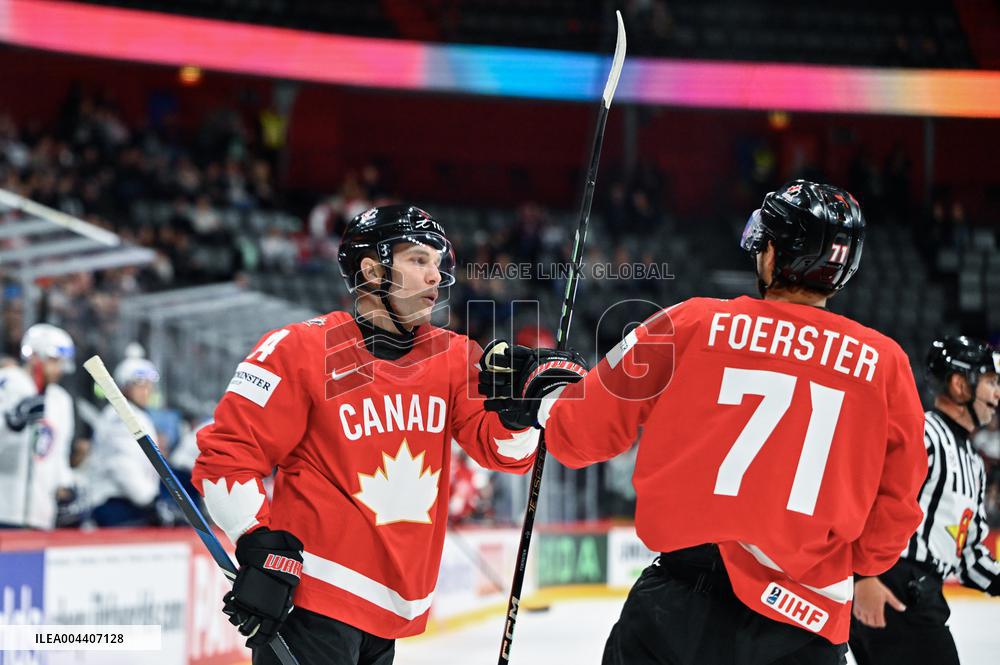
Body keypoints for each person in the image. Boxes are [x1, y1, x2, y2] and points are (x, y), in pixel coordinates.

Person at [480, 180, 929, 664]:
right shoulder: (886, 364)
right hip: (806, 620)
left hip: (676, 611)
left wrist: (542, 395)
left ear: (772, 252)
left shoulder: (690, 323)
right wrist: (856, 563)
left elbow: (579, 432)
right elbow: (900, 502)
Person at [192, 205, 541, 665]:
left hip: (390, 611)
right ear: (372, 269)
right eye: (419, 260)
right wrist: (254, 539)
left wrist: (520, 417)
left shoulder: (453, 356)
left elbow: (501, 453)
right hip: (314, 600)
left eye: (438, 264)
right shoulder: (302, 348)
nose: (434, 276)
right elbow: (226, 455)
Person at [849, 336, 1000, 664]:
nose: (997, 395)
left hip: (921, 591)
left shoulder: (972, 462)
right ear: (961, 384)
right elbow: (864, 498)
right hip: (894, 585)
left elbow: (969, 553)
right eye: (990, 382)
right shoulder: (923, 433)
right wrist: (863, 577)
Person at [0, 323, 76, 529]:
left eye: (61, 363)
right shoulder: (8, 382)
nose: (58, 369)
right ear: (34, 355)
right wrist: (11, 423)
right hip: (5, 508)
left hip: (41, 514)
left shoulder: (61, 400)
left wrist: (65, 486)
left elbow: (59, 451)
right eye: (53, 360)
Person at [86, 356, 162, 526]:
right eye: (140, 384)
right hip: (115, 504)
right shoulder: (119, 417)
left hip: (133, 501)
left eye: (149, 385)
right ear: (125, 387)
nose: (146, 390)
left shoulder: (137, 415)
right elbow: (122, 465)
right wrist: (150, 500)